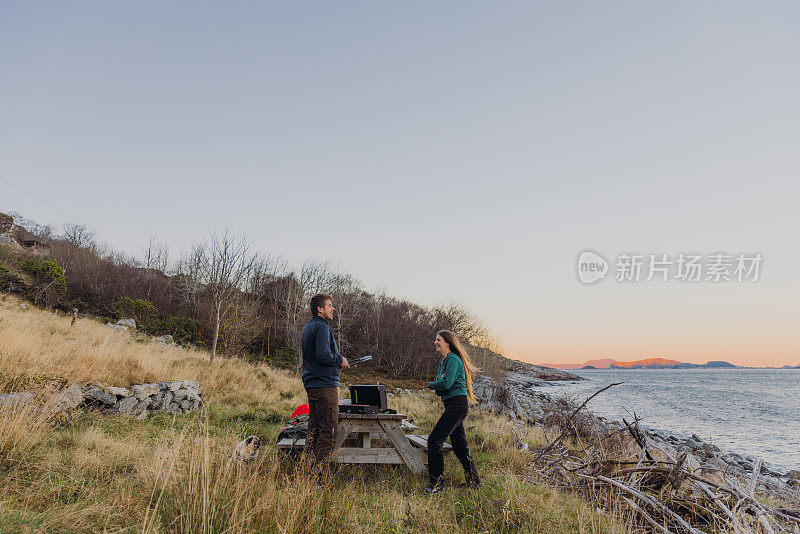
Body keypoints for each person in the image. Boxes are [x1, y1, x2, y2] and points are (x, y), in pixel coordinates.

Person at [425, 330, 481, 493]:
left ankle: (437, 485)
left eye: (438, 340)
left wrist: (431, 384)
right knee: (459, 445)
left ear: (447, 343)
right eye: (436, 339)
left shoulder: (453, 360)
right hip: (452, 405)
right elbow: (441, 388)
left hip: (457, 405)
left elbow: (446, 384)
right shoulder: (444, 362)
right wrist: (438, 384)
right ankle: (474, 482)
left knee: (434, 440)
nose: (435, 342)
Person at [301, 293, 349, 470]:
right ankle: (318, 475)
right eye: (330, 305)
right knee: (329, 432)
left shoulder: (308, 326)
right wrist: (340, 359)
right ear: (320, 309)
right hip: (324, 386)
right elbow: (322, 355)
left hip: (313, 384)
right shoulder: (322, 327)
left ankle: (306, 470)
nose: (333, 308)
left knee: (314, 431)